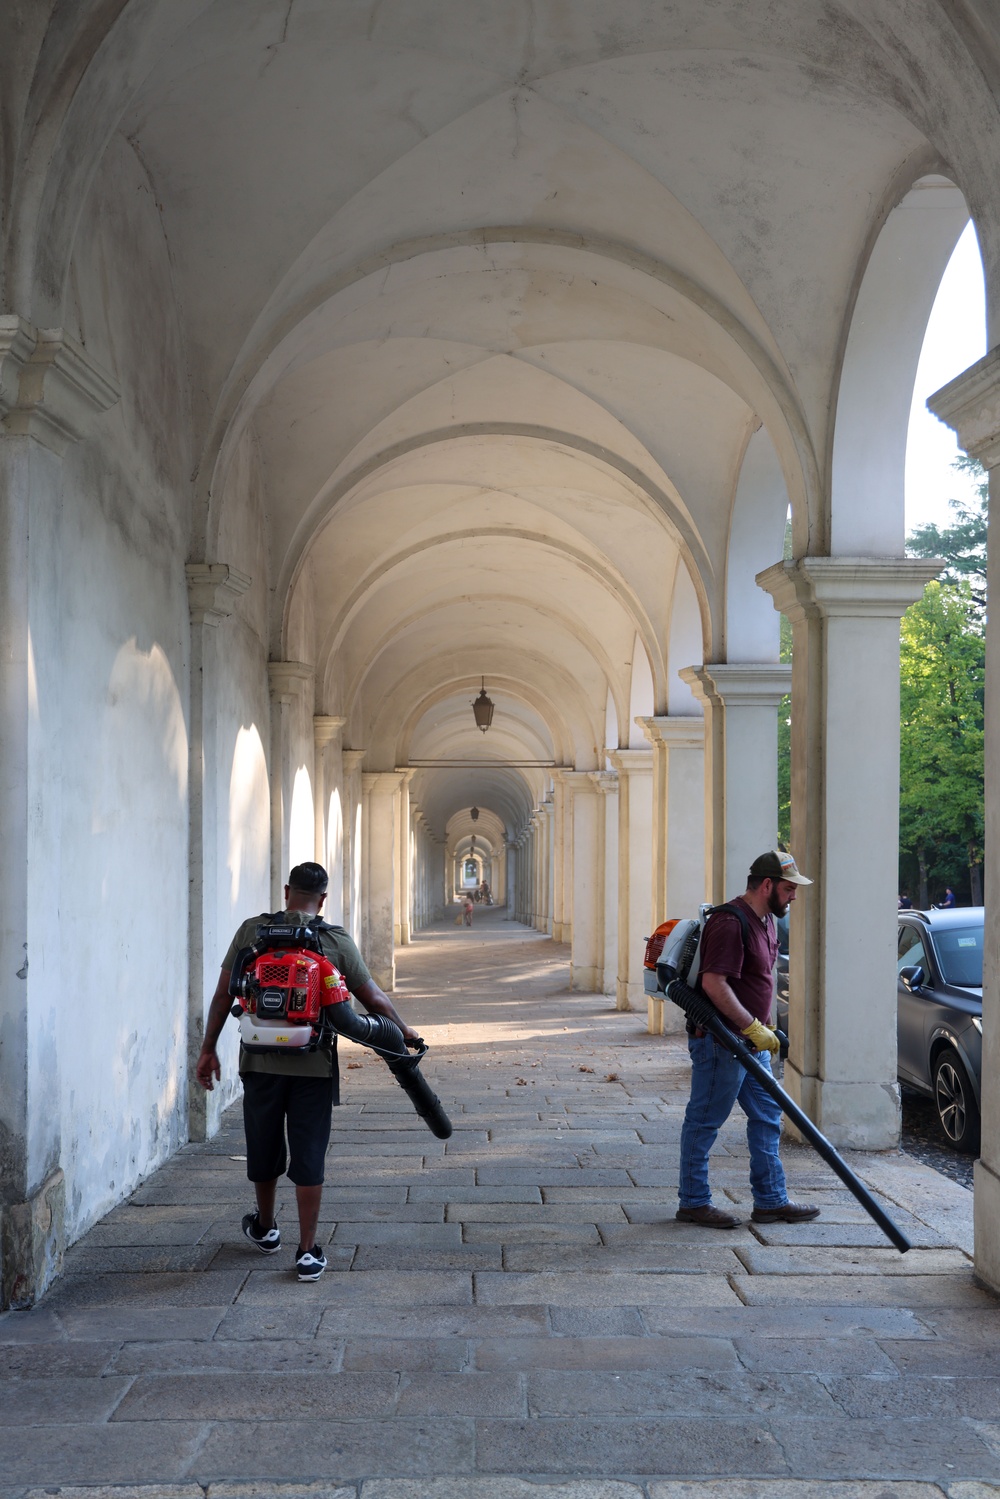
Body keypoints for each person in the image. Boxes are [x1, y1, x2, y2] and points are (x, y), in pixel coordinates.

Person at [195, 862, 421, 1280]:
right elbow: (373, 998)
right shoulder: (333, 939)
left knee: (263, 1144)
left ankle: (265, 1228)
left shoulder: (252, 932)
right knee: (309, 1151)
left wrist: (207, 1049)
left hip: (258, 1062)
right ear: (323, 899)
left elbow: (223, 994)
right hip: (313, 1065)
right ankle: (308, 1251)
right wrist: (403, 1031)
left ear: (286, 892)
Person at [676, 849, 820, 1231]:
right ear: (767, 885)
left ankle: (771, 1201)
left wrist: (762, 1032)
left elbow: (757, 982)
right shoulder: (729, 922)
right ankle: (693, 1202)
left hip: (751, 1045)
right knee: (704, 1121)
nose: (794, 896)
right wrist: (752, 1026)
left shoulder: (767, 921)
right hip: (722, 1043)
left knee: (767, 1116)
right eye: (789, 888)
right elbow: (714, 983)